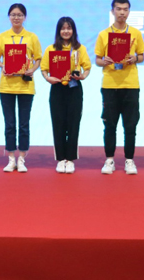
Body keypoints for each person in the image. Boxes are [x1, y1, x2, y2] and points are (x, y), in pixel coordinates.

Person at [95, 0, 144, 175]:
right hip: (110, 85)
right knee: (110, 125)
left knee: (130, 125)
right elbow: (98, 60)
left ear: (129, 11)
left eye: (125, 9)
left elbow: (142, 56)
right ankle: (109, 160)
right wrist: (105, 61)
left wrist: (134, 58)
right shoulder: (104, 34)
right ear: (112, 11)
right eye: (118, 9)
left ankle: (129, 160)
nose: (122, 12)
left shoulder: (135, 33)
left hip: (130, 85)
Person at [0, 3, 42, 173]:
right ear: (9, 17)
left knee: (24, 124)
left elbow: (38, 59)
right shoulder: (2, 37)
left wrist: (32, 69)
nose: (16, 18)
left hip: (25, 86)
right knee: (10, 124)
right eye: (13, 14)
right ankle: (11, 158)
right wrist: (3, 65)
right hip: (6, 86)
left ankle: (22, 158)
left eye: (19, 15)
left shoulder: (32, 37)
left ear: (24, 17)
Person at [41, 17, 91, 174]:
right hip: (57, 88)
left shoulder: (79, 49)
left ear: (73, 30)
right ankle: (61, 159)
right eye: (63, 28)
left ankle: (70, 159)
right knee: (58, 123)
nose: (66, 31)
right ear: (58, 31)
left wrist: (83, 76)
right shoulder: (51, 49)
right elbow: (44, 69)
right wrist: (47, 78)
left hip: (74, 88)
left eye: (69, 28)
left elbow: (87, 68)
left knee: (73, 124)